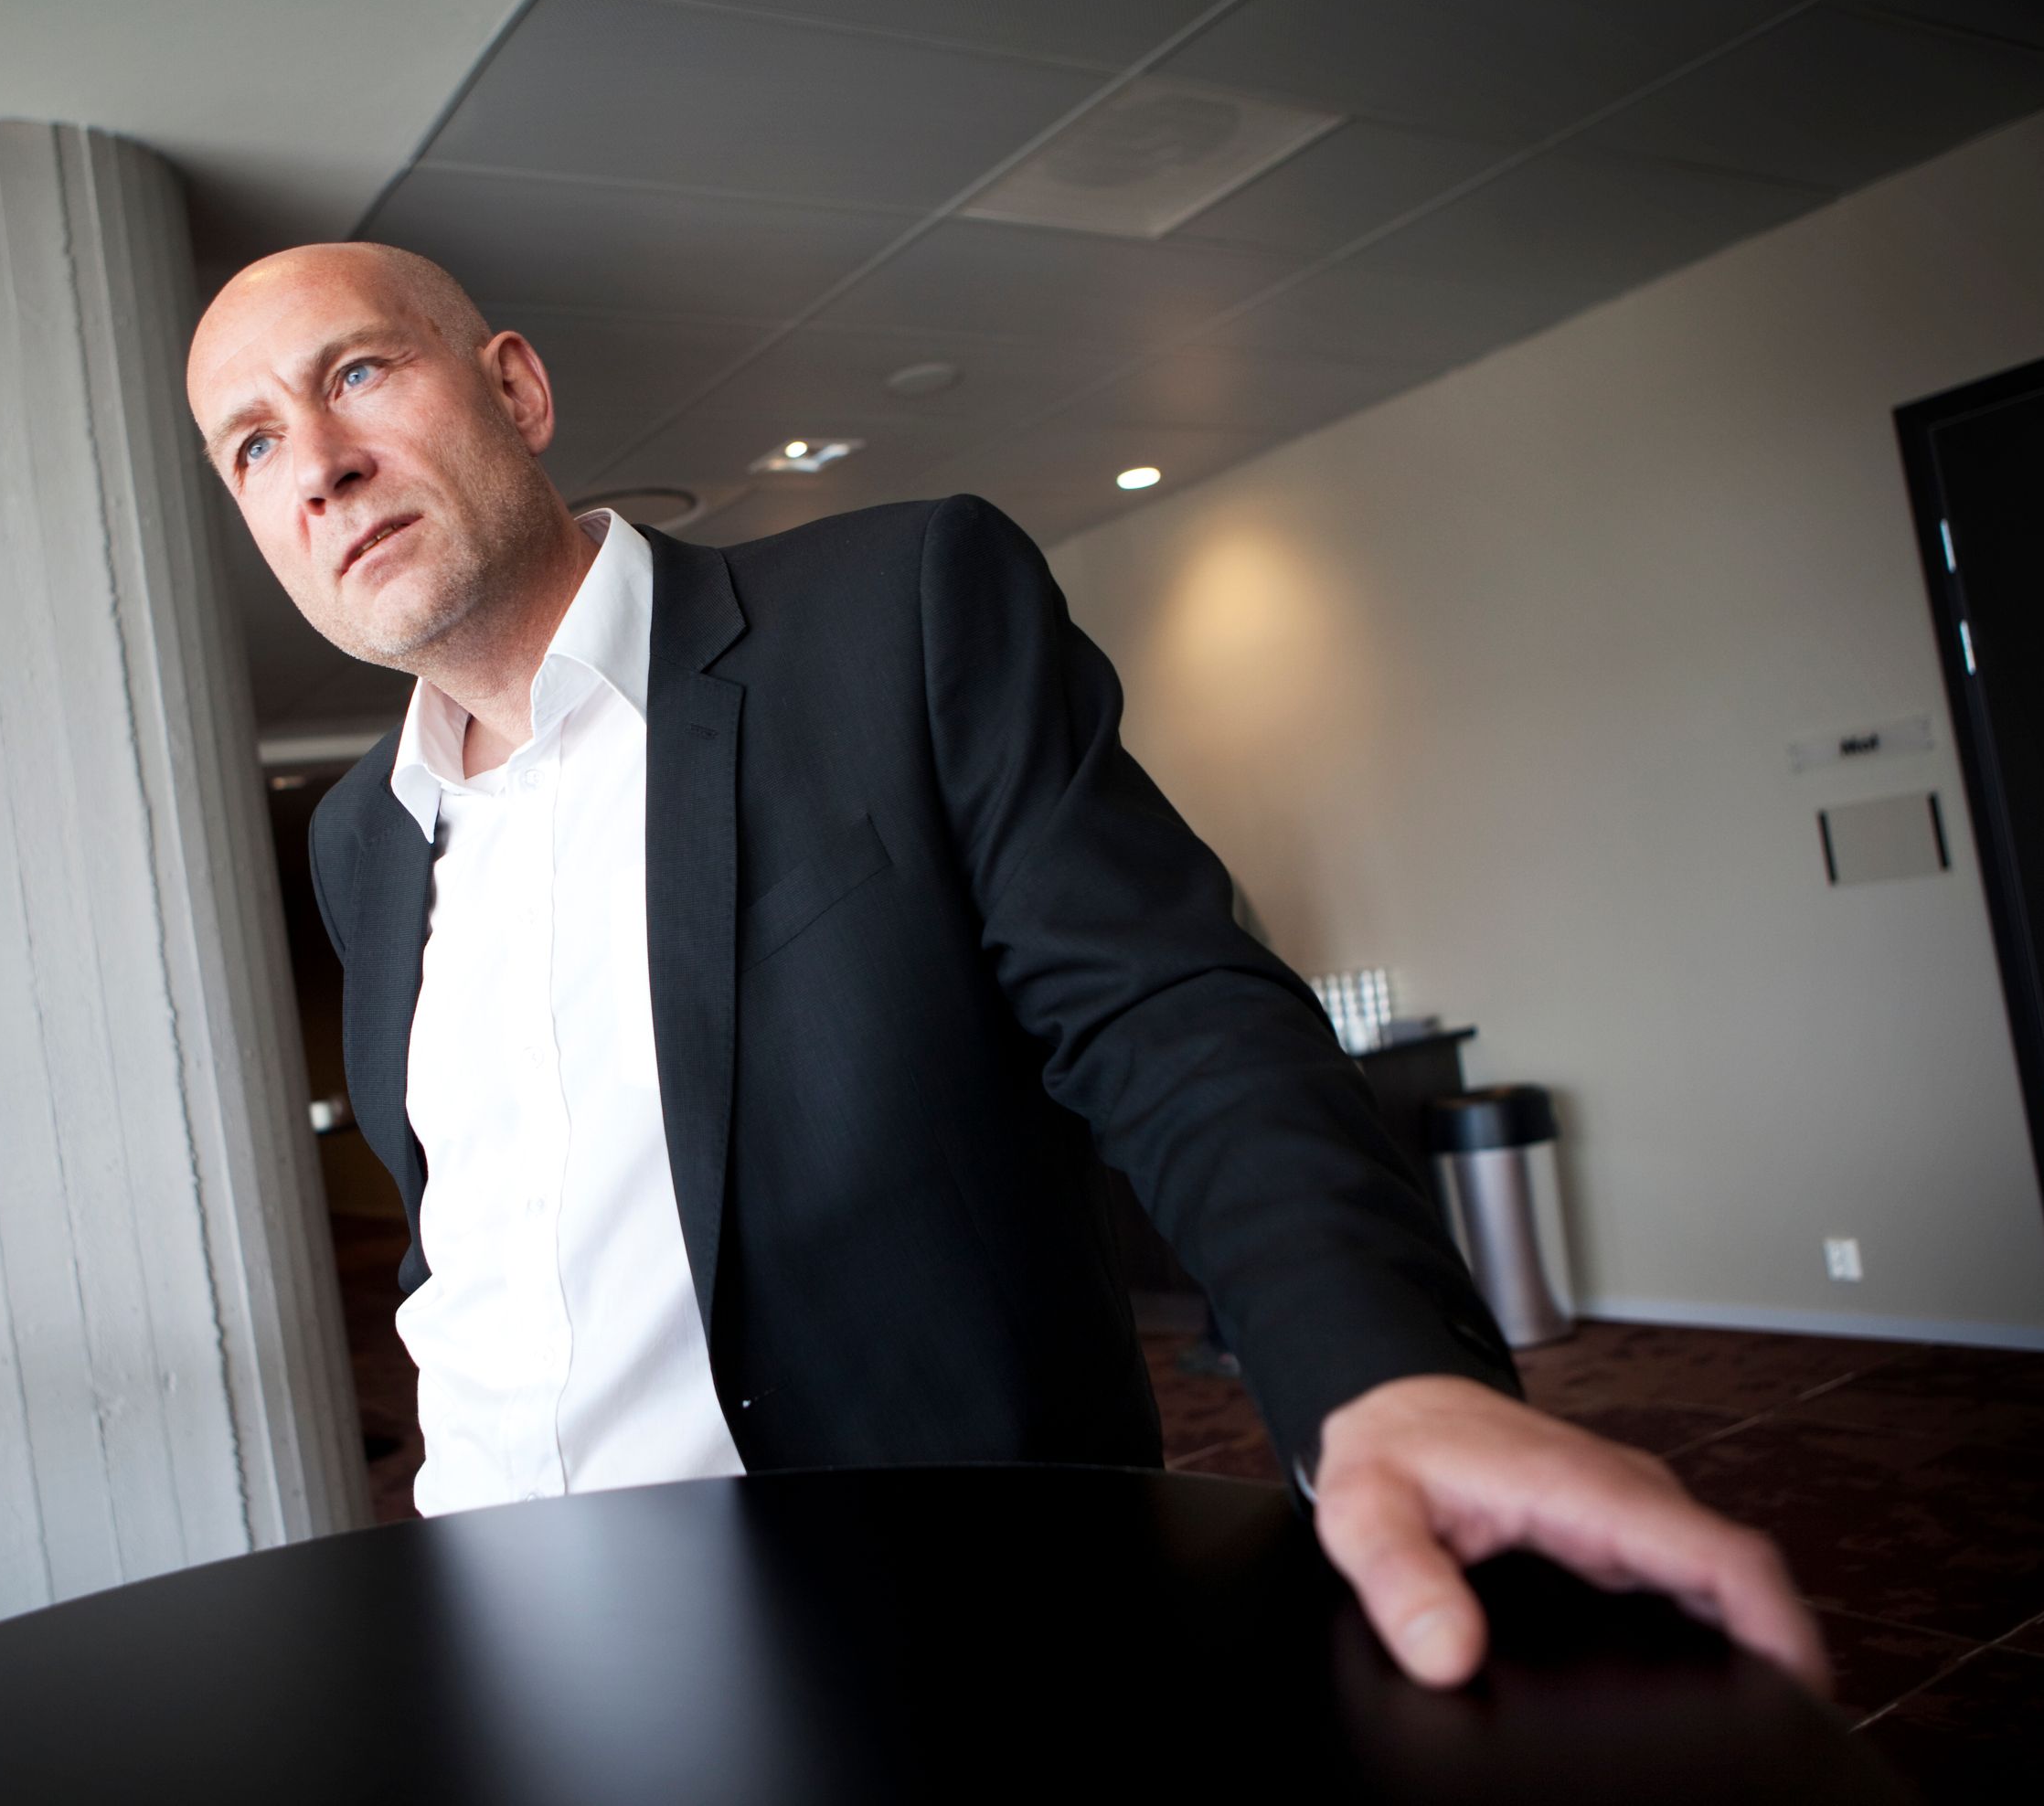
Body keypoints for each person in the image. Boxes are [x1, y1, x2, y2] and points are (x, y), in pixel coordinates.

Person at [184, 242, 1827, 1696]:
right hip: (505, 1636)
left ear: (517, 389)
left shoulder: (892, 613)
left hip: (919, 1632)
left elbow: (1170, 1017)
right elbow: (470, 1233)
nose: (316, 464)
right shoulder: (360, 840)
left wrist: (1383, 1376)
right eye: (252, 444)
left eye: (358, 373)